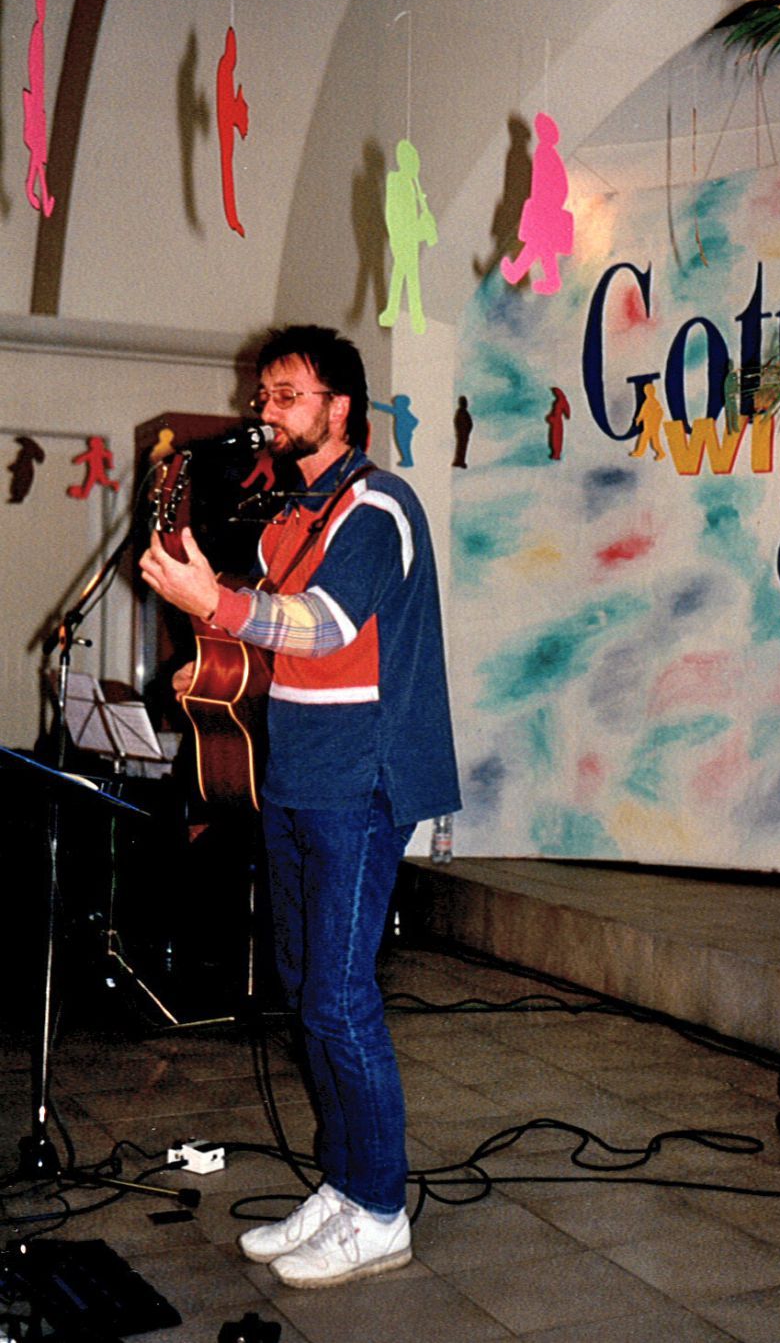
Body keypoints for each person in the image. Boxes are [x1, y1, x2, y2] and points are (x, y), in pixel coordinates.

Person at [139, 324, 460, 1288]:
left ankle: (380, 1210)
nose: (267, 412)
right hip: (295, 776)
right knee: (302, 986)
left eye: (288, 396)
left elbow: (323, 628)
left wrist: (216, 606)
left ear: (339, 408)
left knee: (339, 998)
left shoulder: (378, 507)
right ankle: (346, 1182)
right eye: (264, 397)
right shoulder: (290, 515)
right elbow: (271, 633)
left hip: (362, 780)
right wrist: (216, 632)